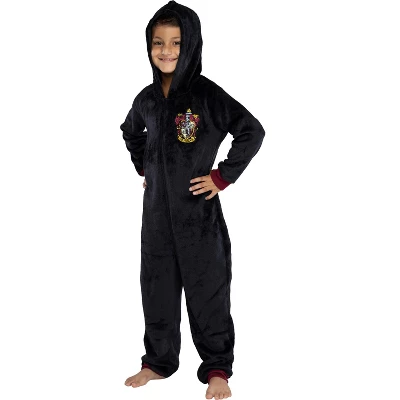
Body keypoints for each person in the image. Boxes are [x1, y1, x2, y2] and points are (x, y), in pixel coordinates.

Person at [120, 1, 265, 399]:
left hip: (198, 218)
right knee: (157, 289)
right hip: (155, 220)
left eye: (176, 42)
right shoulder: (147, 99)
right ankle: (157, 362)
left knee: (208, 291)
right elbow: (130, 131)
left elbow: (252, 131)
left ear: (192, 45)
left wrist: (221, 176)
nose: (166, 50)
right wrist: (145, 167)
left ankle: (217, 368)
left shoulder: (207, 95)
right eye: (158, 42)